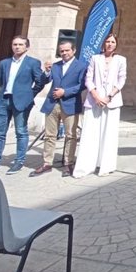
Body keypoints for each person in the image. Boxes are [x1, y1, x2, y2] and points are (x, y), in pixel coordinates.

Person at [0, 35, 45, 174]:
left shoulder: (33, 63)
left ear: (26, 47)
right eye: (15, 44)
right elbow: (0, 81)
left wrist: (30, 94)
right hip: (4, 100)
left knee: (21, 132)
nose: (17, 47)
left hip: (22, 102)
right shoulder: (4, 63)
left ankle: (19, 161)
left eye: (20, 44)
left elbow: (40, 82)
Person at [73, 33, 127, 178]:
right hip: (94, 100)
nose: (110, 44)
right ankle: (86, 166)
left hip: (112, 101)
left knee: (108, 134)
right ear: (103, 44)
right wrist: (96, 96)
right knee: (90, 133)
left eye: (113, 42)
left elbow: (121, 80)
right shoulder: (95, 59)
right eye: (108, 42)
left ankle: (106, 165)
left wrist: (109, 96)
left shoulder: (121, 60)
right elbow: (88, 79)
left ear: (116, 44)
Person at [30, 40, 87, 178]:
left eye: (67, 50)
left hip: (70, 103)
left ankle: (68, 163)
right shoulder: (55, 66)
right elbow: (45, 81)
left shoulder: (81, 66)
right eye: (62, 51)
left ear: (73, 51)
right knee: (50, 135)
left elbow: (82, 85)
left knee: (70, 135)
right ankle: (47, 163)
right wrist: (47, 72)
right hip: (52, 103)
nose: (64, 53)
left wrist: (65, 92)